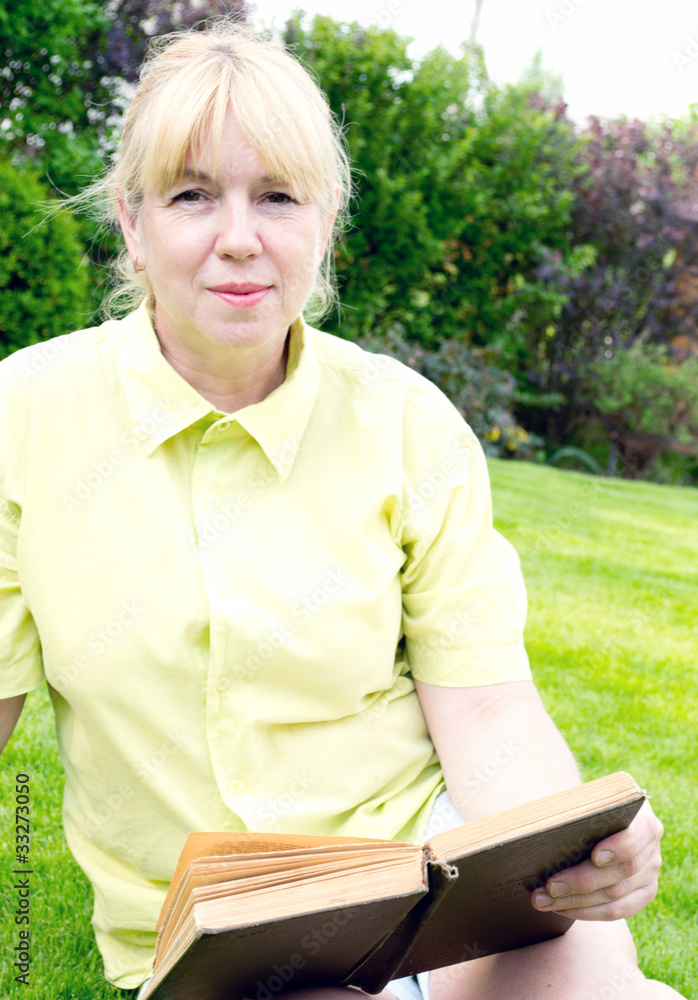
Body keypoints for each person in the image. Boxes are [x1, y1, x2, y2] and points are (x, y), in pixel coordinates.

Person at [0, 20, 683, 1000]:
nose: (239, 235)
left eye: (276, 197)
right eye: (193, 195)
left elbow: (486, 710)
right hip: (227, 932)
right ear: (131, 221)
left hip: (427, 877)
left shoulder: (407, 423)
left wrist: (577, 842)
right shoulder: (23, 417)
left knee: (595, 980)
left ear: (323, 222)